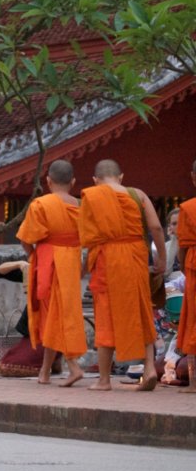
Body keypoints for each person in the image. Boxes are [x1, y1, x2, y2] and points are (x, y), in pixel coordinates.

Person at [78, 159, 165, 391]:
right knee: (140, 310)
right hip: (136, 256)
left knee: (106, 316)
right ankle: (148, 369)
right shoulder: (137, 194)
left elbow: (90, 240)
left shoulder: (92, 197)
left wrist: (84, 268)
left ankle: (104, 380)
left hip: (107, 259)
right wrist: (162, 259)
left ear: (95, 180)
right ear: (122, 177)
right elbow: (156, 227)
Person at [16, 159, 86, 387]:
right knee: (60, 315)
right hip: (72, 262)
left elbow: (27, 239)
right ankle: (44, 372)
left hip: (49, 261)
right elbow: (87, 238)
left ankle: (73, 367)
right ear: (73, 182)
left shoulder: (40, 204)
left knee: (53, 317)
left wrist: (34, 256)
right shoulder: (80, 206)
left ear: (48, 181)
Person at [174, 160, 196, 392]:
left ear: (193, 178)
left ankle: (194, 383)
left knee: (193, 320)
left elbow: (182, 245)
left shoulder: (189, 208)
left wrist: (182, 265)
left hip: (194, 263)